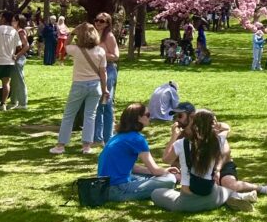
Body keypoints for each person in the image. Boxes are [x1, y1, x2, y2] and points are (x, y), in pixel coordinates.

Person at [167, 104, 267, 203]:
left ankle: (263, 189)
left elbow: (224, 154)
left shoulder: (214, 133)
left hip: (221, 166)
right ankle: (237, 198)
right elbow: (171, 160)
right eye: (175, 117)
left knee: (229, 184)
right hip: (200, 173)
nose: (177, 119)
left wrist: (217, 170)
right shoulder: (181, 137)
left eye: (180, 116)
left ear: (192, 117)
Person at [153, 108, 255, 212]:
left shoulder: (182, 143)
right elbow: (227, 128)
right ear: (212, 124)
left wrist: (174, 136)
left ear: (194, 124)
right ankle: (242, 196)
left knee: (156, 193)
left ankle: (239, 197)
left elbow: (166, 159)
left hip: (186, 203)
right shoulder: (218, 140)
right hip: (213, 198)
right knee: (227, 191)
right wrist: (216, 125)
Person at [97, 102, 179, 202]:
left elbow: (133, 168)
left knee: (150, 177)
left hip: (105, 186)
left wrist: (160, 173)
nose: (150, 117)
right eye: (148, 115)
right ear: (138, 118)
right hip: (119, 189)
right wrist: (166, 173)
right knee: (169, 180)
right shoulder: (137, 139)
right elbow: (155, 170)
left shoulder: (116, 137)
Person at [50, 22, 109, 154]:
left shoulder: (76, 50)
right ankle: (86, 146)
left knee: (69, 115)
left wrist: (72, 33)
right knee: (90, 116)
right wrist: (105, 89)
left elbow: (65, 46)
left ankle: (61, 145)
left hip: (79, 84)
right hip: (95, 85)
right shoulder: (100, 51)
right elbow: (103, 73)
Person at [93, 12, 119, 144]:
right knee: (97, 104)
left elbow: (116, 56)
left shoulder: (109, 36)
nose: (98, 23)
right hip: (95, 70)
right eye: (97, 20)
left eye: (102, 21)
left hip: (108, 69)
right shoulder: (93, 35)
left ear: (108, 23)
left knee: (106, 103)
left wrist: (100, 53)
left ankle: (108, 136)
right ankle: (97, 137)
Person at [0, 10, 20, 111]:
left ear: (3, 18)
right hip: (9, 61)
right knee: (6, 83)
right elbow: (19, 46)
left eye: (0, 17)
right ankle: (3, 104)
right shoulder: (14, 31)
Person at [8, 14, 29, 109]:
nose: (12, 22)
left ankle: (23, 103)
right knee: (14, 80)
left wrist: (17, 55)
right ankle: (14, 101)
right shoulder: (15, 31)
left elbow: (26, 46)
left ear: (19, 22)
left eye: (14, 21)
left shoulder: (20, 32)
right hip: (14, 58)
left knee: (19, 80)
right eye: (12, 20)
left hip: (19, 58)